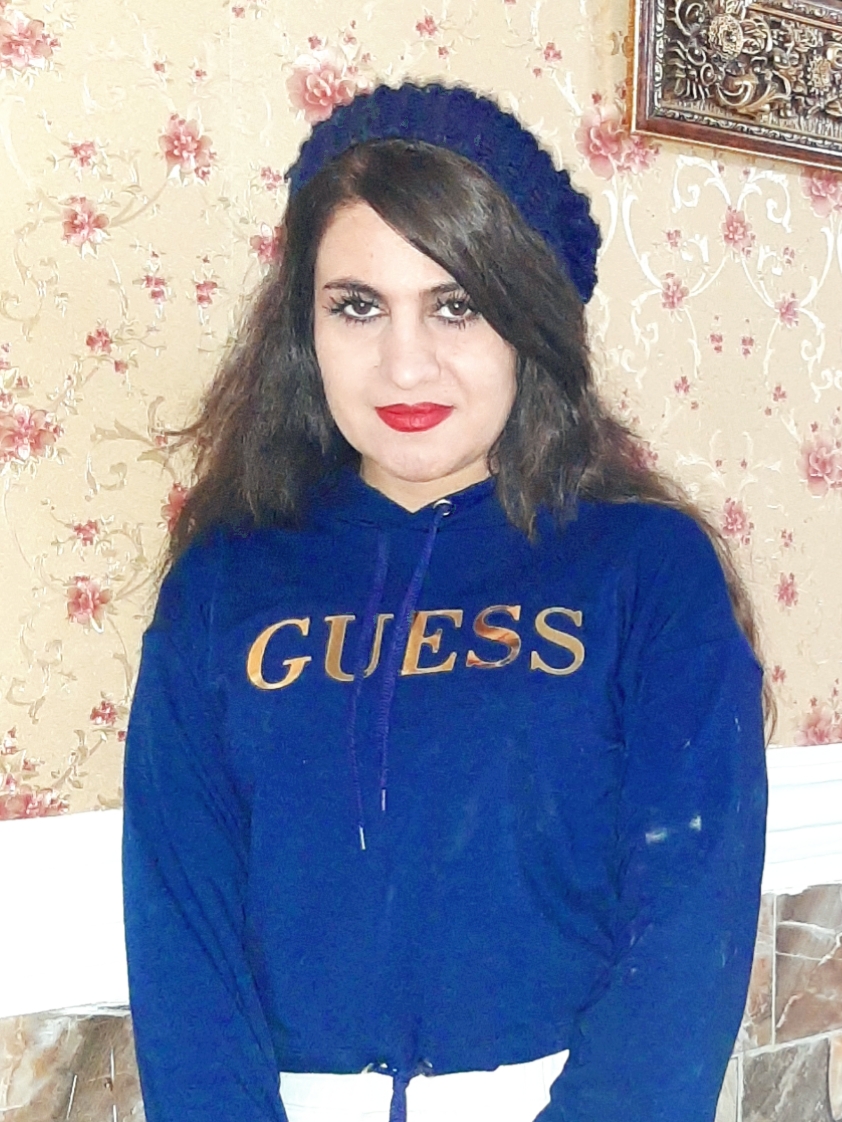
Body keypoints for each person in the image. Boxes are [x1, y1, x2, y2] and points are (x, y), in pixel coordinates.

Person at [122, 81, 769, 1122]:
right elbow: (180, 927)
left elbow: (688, 926)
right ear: (304, 328)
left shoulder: (648, 572)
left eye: (455, 304)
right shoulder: (222, 584)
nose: (403, 362)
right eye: (357, 306)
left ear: (527, 320)